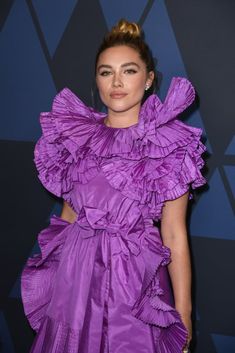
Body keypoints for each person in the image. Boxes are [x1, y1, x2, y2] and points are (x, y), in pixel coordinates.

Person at [21, 19, 206, 353]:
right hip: (73, 285)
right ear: (97, 80)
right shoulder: (76, 138)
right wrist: (51, 286)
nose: (117, 82)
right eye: (106, 72)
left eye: (129, 70)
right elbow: (68, 218)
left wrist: (184, 313)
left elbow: (175, 235)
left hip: (132, 282)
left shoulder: (168, 145)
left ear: (149, 80)